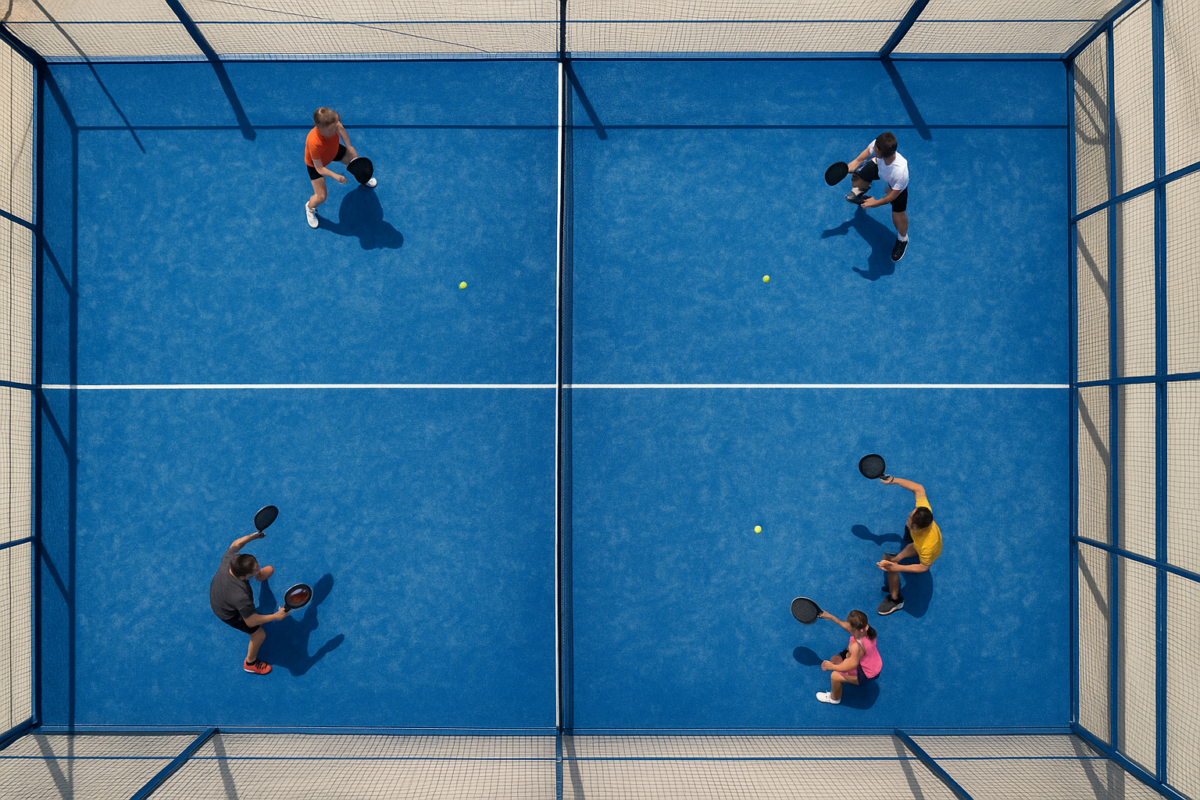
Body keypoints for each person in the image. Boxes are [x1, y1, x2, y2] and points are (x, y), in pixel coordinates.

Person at [209, 530, 288, 674]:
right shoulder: (240, 597)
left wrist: (254, 536)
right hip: (226, 612)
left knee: (263, 572)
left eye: (256, 565)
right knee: (259, 634)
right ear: (244, 576)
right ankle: (250, 663)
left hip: (218, 592)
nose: (258, 567)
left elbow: (236, 543)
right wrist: (276, 616)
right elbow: (251, 622)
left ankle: (258, 576)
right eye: (255, 570)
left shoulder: (230, 559)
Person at [875, 474, 942, 616]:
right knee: (895, 559)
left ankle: (896, 600)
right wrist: (893, 480)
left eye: (910, 518)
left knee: (892, 567)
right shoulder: (924, 512)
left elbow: (924, 567)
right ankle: (897, 557)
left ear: (915, 528)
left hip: (927, 550)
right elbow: (919, 488)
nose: (909, 514)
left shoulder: (926, 546)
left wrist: (897, 567)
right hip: (917, 542)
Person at [304, 106, 377, 229]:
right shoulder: (314, 142)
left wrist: (349, 146)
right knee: (321, 196)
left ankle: (362, 178)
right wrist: (336, 176)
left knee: (353, 159)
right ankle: (309, 208)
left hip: (333, 150)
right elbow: (319, 168)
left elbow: (340, 128)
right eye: (331, 129)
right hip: (316, 164)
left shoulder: (334, 121)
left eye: (335, 126)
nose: (335, 130)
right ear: (320, 128)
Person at [844, 132, 910, 262]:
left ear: (879, 151)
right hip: (880, 167)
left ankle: (903, 239)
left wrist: (874, 203)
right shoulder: (878, 144)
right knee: (858, 177)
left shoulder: (900, 171)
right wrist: (844, 170)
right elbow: (858, 160)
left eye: (875, 149)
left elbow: (891, 197)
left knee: (897, 215)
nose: (873, 148)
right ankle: (860, 193)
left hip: (896, 187)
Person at [816, 609, 881, 705]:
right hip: (875, 666)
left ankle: (834, 698)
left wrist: (833, 667)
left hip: (866, 675)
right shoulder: (868, 630)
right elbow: (849, 627)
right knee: (839, 657)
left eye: (851, 627)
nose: (848, 627)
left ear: (857, 629)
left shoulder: (856, 646)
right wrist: (832, 617)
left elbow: (851, 664)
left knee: (834, 676)